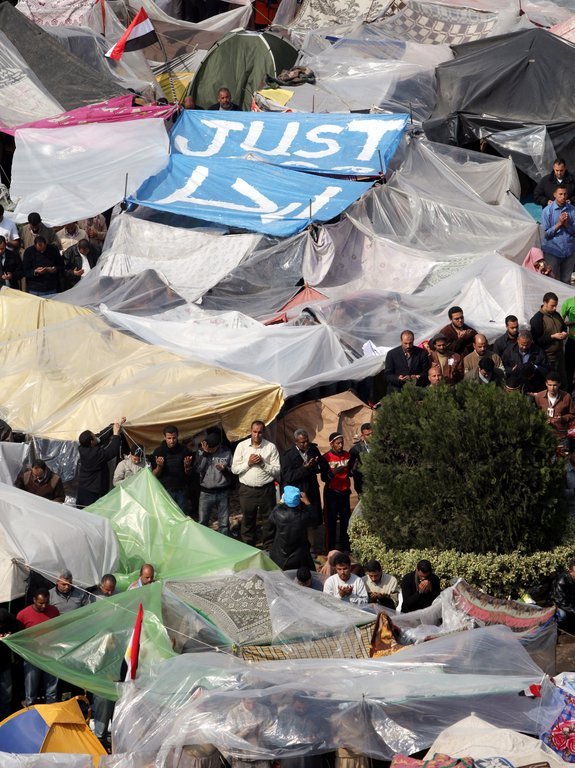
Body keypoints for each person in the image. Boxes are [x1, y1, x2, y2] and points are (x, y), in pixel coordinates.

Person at [231, 420, 280, 549]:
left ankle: (269, 546)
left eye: (260, 432)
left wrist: (263, 464)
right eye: (254, 432)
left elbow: (277, 471)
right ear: (250, 431)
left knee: (269, 520)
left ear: (263, 432)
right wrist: (249, 463)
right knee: (248, 519)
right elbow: (234, 469)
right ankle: (249, 547)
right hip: (247, 490)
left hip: (266, 489)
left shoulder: (270, 447)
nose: (257, 435)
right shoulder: (242, 446)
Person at [16, 588, 60, 706]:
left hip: (50, 654)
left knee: (52, 687)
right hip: (32, 655)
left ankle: (51, 709)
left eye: (46, 602)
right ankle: (30, 709)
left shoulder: (54, 611)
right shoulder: (23, 615)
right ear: (34, 600)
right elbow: (18, 635)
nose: (44, 606)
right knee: (31, 688)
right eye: (41, 603)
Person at [77, 417, 126, 507]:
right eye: (94, 436)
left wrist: (114, 425)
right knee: (91, 510)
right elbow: (112, 450)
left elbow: (100, 436)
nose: (96, 437)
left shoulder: (83, 447)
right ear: (91, 442)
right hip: (93, 490)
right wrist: (116, 434)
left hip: (84, 486)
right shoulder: (94, 455)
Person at [195, 432, 233, 537]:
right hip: (206, 492)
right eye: (209, 447)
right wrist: (205, 454)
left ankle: (224, 542)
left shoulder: (226, 452)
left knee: (224, 523)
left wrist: (224, 469)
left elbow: (233, 470)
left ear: (218, 445)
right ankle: (203, 542)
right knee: (203, 521)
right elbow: (198, 469)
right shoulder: (201, 451)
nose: (211, 450)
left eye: (213, 448)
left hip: (223, 491)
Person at [268, 486, 315, 571]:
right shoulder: (303, 516)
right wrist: (307, 502)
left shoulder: (278, 514)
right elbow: (314, 518)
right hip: (299, 557)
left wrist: (280, 502)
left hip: (280, 555)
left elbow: (271, 517)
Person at [280, 429, 324, 518]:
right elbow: (288, 476)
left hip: (312, 489)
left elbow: (323, 465)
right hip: (297, 492)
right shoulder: (287, 455)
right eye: (302, 442)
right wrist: (304, 468)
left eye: (307, 441)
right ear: (296, 442)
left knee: (313, 518)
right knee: (299, 519)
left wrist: (315, 465)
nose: (306, 444)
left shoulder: (313, 449)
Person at [151, 425, 193, 511]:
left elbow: (189, 473)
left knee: (181, 514)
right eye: (169, 438)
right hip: (165, 490)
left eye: (174, 438)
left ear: (177, 436)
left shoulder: (184, 450)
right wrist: (159, 466)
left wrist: (187, 466)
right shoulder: (159, 451)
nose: (172, 441)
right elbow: (154, 475)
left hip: (181, 489)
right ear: (165, 437)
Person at [530, 292, 568, 388]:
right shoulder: (537, 319)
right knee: (551, 383)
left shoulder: (556, 315)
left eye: (556, 306)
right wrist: (552, 336)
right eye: (552, 306)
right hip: (548, 358)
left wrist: (564, 333)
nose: (555, 308)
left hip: (559, 356)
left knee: (562, 381)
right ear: (545, 303)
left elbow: (563, 327)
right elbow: (536, 341)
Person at [322, 432, 352, 553]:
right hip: (332, 493)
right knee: (331, 522)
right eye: (337, 443)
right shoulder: (326, 457)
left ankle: (344, 548)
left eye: (342, 443)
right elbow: (323, 478)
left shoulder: (347, 455)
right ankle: (330, 549)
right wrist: (332, 473)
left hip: (344, 492)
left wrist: (353, 469)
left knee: (345, 521)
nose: (340, 445)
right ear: (331, 444)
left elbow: (350, 472)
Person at [541, 186, 575, 283]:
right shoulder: (547, 211)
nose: (563, 197)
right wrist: (559, 224)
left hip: (569, 251)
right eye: (560, 194)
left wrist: (567, 225)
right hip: (553, 251)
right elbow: (545, 234)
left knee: (566, 281)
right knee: (550, 280)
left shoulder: (572, 210)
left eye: (565, 194)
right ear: (555, 195)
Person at [532, 371, 574, 443]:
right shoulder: (539, 396)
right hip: (544, 435)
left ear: (559, 384)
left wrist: (562, 418)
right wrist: (542, 420)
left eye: (555, 385)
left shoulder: (566, 397)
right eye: (550, 385)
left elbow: (572, 414)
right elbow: (535, 413)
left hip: (561, 435)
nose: (552, 388)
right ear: (546, 384)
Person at [384, 330, 429, 395]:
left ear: (413, 341)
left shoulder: (422, 353)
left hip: (416, 391)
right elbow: (387, 375)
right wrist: (398, 378)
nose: (408, 346)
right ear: (401, 341)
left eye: (410, 343)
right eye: (405, 343)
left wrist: (418, 377)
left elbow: (425, 372)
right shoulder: (392, 354)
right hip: (397, 392)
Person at [0, 608, 18, 720]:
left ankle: (5, 717)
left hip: (5, 663)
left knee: (6, 694)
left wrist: (10, 635)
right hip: (5, 663)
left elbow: (17, 629)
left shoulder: (10, 620)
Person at [348, 423, 372, 496]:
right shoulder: (355, 450)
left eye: (372, 433)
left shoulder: (381, 446)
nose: (371, 436)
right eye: (368, 435)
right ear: (362, 436)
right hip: (363, 487)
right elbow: (350, 472)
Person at [553, 558, 575, 631]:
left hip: (571, 604)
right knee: (562, 615)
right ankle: (558, 627)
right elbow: (560, 601)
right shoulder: (561, 581)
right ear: (571, 571)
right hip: (559, 605)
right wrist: (573, 610)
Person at [562, 294, 575, 392]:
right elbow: (560, 321)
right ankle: (569, 393)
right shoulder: (568, 302)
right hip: (572, 341)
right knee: (569, 369)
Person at [565, 445, 575, 517]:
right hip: (570, 514)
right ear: (570, 454)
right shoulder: (563, 470)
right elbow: (558, 493)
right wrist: (573, 491)